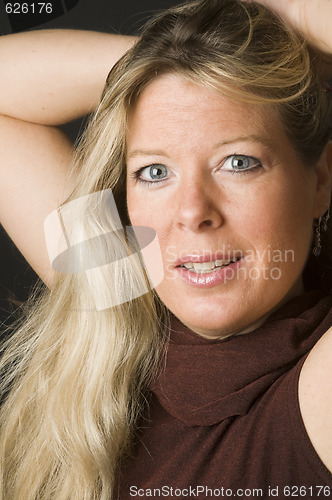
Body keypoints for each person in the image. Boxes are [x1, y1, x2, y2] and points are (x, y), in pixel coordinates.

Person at [0, 0, 332, 498]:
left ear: (320, 182)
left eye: (237, 162)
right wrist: (182, 60)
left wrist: (296, 17)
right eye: (155, 172)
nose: (192, 211)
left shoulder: (316, 389)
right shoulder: (120, 301)